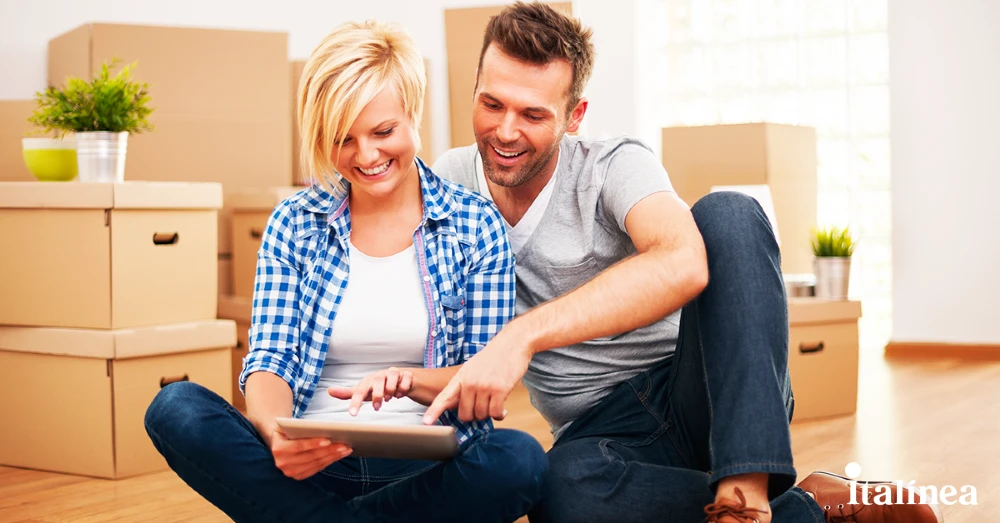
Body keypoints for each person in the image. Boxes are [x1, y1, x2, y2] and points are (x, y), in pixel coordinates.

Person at [425, 3, 943, 523]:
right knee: (557, 493)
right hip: (598, 433)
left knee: (729, 213)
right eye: (492, 104)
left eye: (533, 115)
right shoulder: (451, 182)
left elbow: (684, 261)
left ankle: (744, 489)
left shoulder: (613, 164)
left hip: (703, 393)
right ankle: (804, 506)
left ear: (574, 116)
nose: (506, 131)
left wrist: (523, 335)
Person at [144, 20, 546, 523]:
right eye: (343, 139)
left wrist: (405, 380)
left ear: (413, 114)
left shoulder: (474, 224)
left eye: (383, 132)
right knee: (175, 407)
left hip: (426, 471)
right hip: (310, 464)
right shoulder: (294, 222)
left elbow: (480, 375)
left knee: (520, 460)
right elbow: (270, 358)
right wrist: (276, 434)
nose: (366, 156)